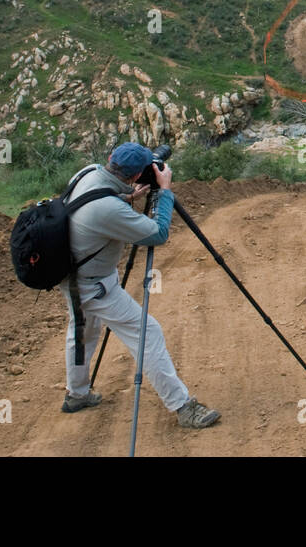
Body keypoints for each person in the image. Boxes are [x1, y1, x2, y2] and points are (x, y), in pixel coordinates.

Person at [59, 142, 220, 429]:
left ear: (110, 159)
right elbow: (157, 234)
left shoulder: (88, 172)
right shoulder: (109, 209)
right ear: (136, 176)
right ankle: (183, 406)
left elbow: (96, 204)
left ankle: (77, 395)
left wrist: (127, 195)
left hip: (72, 275)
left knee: (83, 332)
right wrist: (165, 192)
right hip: (93, 286)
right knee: (148, 333)